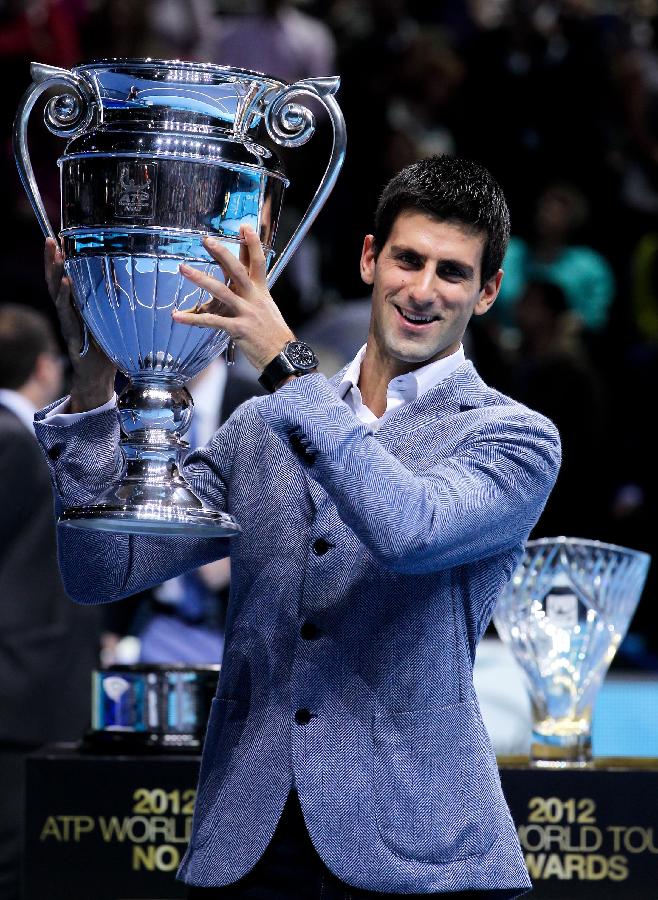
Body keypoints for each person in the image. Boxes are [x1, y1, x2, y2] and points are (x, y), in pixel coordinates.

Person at [36, 156, 560, 898]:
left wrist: (287, 365)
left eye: (452, 273)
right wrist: (92, 390)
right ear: (370, 258)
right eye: (408, 259)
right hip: (244, 842)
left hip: (419, 853)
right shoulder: (260, 426)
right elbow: (100, 573)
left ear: (487, 293)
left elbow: (408, 529)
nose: (422, 290)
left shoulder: (514, 437)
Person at [0, 304, 101, 900]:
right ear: (45, 368)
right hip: (21, 688)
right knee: (15, 862)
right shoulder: (14, 444)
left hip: (27, 685)